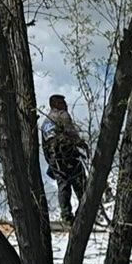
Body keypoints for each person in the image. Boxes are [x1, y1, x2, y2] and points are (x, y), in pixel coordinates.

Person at [42, 94, 88, 224]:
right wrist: (82, 144)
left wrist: (51, 162)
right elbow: (71, 133)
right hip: (69, 156)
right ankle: (84, 212)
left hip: (55, 159)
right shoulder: (62, 115)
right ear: (56, 104)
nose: (66, 106)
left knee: (63, 185)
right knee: (81, 184)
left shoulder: (45, 123)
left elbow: (45, 147)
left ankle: (66, 216)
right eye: (63, 103)